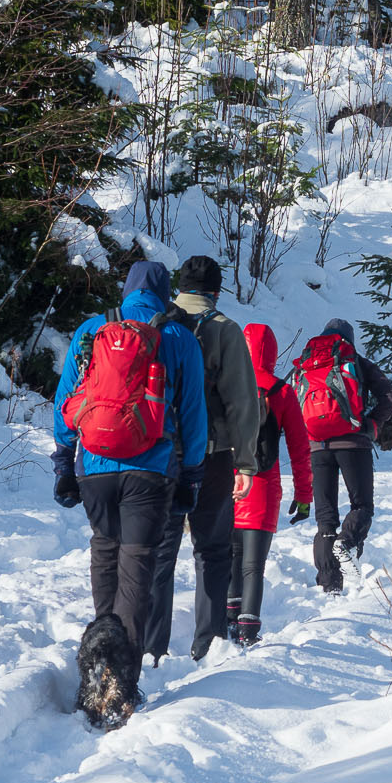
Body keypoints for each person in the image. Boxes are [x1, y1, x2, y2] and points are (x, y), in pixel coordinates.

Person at [52, 260, 207, 649]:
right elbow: (192, 412)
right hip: (151, 469)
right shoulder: (178, 335)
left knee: (105, 549)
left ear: (128, 289)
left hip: (94, 464)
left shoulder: (91, 330)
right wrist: (191, 476)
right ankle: (123, 675)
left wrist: (63, 464)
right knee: (137, 564)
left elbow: (65, 401)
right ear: (163, 292)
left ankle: (100, 654)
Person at [144, 255, 263, 662]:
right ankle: (207, 643)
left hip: (159, 457)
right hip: (211, 458)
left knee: (161, 551)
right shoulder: (224, 329)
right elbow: (243, 402)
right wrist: (246, 462)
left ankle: (151, 647)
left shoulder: (157, 323)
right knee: (212, 550)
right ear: (216, 291)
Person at [292, 317, 392, 593]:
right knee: (362, 505)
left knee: (325, 518)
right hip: (353, 443)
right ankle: (347, 543)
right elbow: (388, 395)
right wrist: (372, 424)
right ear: (349, 339)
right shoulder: (355, 361)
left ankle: (329, 584)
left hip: (317, 446)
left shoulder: (308, 360)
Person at [228, 323, 313, 645]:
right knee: (253, 566)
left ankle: (227, 620)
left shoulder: (227, 386)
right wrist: (304, 494)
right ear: (273, 353)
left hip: (229, 482)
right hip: (263, 486)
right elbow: (299, 447)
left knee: (231, 557)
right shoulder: (282, 392)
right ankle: (248, 632)